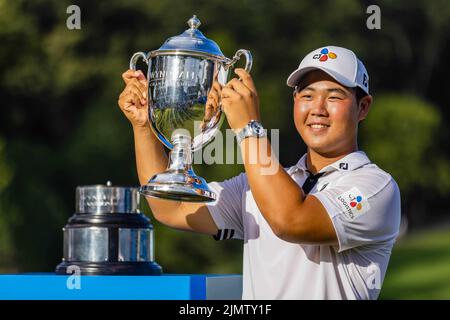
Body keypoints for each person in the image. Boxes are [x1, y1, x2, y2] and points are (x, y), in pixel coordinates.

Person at [117, 45, 401, 300]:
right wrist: (144, 127)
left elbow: (291, 220)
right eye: (307, 95)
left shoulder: (376, 187)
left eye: (334, 97)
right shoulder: (259, 185)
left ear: (363, 107)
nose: (317, 109)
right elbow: (170, 206)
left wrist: (248, 128)